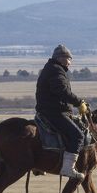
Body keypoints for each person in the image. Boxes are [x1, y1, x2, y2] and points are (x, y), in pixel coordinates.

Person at [36, 44, 88, 179]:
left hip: (48, 110)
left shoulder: (51, 68)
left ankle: (39, 163)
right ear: (60, 58)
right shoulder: (56, 71)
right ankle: (68, 168)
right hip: (54, 112)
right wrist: (79, 102)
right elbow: (62, 92)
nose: (70, 62)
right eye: (69, 59)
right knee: (78, 136)